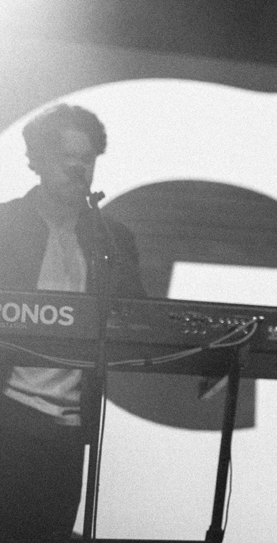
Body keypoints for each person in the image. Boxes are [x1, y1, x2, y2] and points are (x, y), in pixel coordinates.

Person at [0, 104, 144, 543]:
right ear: (37, 160)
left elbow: (138, 319)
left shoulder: (111, 238)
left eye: (87, 157)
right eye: (66, 155)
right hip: (7, 416)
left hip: (68, 428)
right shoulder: (4, 224)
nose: (78, 166)